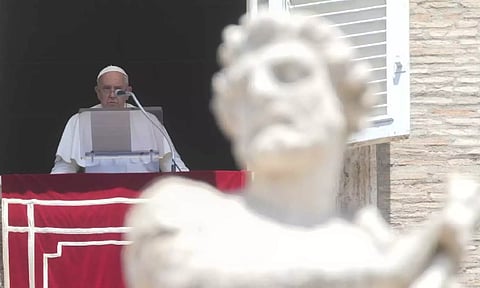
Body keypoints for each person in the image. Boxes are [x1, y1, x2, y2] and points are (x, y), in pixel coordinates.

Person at [123, 12, 480, 288]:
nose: (260, 92)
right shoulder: (183, 213)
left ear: (344, 100)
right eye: (244, 86)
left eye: (289, 74)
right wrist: (387, 272)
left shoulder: (377, 243)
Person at [51, 65, 189, 173]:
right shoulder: (79, 121)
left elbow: (171, 163)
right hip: (100, 196)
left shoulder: (148, 119)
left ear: (128, 91)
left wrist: (189, 188)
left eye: (118, 89)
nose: (112, 94)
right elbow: (64, 168)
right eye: (106, 89)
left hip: (142, 197)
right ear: (98, 92)